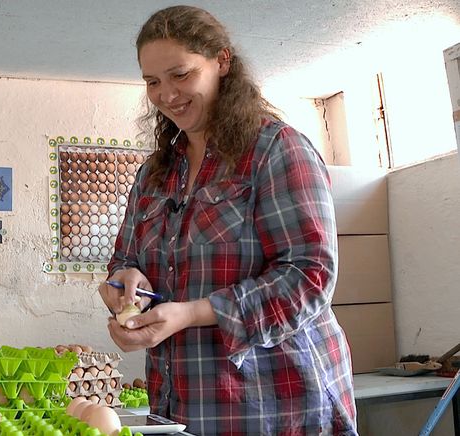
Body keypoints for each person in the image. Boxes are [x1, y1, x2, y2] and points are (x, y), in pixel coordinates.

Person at [99, 5, 357, 435]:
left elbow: (310, 277)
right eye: (152, 81)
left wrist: (194, 313)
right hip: (182, 401)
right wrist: (124, 285)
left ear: (221, 61)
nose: (166, 94)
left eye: (180, 75)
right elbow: (123, 260)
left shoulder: (276, 150)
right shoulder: (155, 172)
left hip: (275, 401)